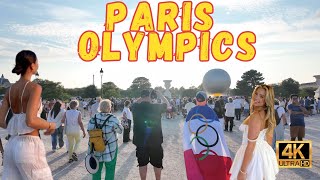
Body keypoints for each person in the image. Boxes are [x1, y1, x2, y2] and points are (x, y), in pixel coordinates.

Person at [0, 50, 56, 179]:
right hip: (29, 145)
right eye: (37, 62)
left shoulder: (10, 90)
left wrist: (15, 123)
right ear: (32, 65)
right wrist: (50, 125)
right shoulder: (35, 87)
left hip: (12, 144)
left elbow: (1, 121)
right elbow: (30, 120)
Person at [230, 85, 279, 180]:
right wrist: (265, 159)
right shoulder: (267, 114)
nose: (256, 97)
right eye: (256, 94)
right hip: (262, 153)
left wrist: (242, 171)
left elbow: (251, 146)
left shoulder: (256, 116)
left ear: (267, 99)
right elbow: (269, 139)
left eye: (262, 96)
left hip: (253, 156)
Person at [183, 91, 232, 179]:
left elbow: (187, 131)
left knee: (200, 164)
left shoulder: (192, 112)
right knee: (211, 167)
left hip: (198, 143)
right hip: (212, 145)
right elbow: (218, 131)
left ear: (196, 100)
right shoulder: (211, 112)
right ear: (206, 99)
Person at [132, 89, 170, 180]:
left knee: (142, 164)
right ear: (150, 96)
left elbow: (135, 102)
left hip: (141, 141)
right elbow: (167, 104)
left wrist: (141, 98)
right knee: (157, 164)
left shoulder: (135, 107)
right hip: (155, 140)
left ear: (141, 97)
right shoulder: (156, 107)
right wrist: (160, 95)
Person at [87, 99, 123, 180]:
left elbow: (89, 130)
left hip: (96, 147)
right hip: (110, 148)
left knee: (96, 169)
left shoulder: (94, 117)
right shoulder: (113, 118)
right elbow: (120, 131)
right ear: (109, 107)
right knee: (110, 169)